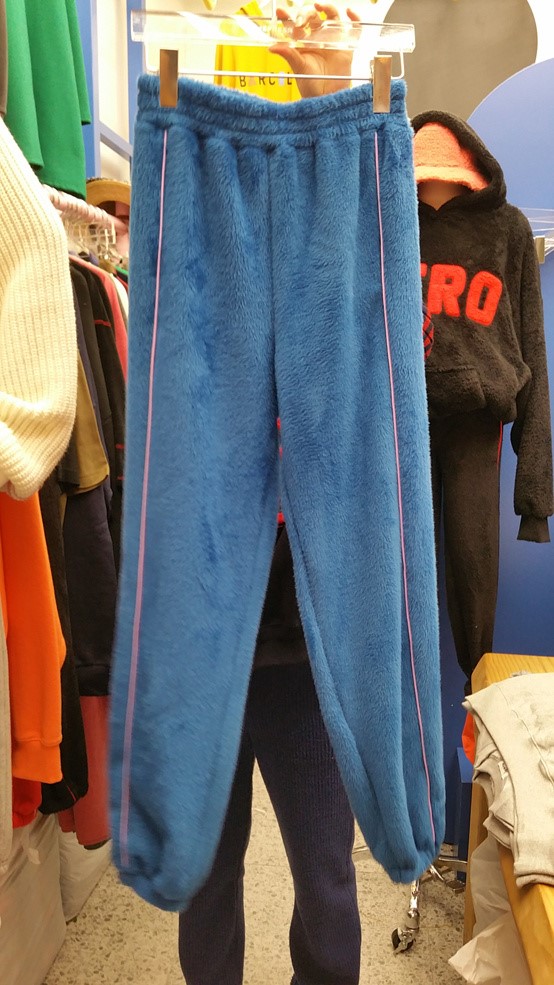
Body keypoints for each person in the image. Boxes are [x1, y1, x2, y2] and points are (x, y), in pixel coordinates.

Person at [178, 8, 363, 985]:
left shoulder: (331, 319)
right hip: (208, 654)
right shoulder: (195, 313)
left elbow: (348, 245)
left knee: (326, 882)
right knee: (204, 881)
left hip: (306, 659)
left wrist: (328, 90)